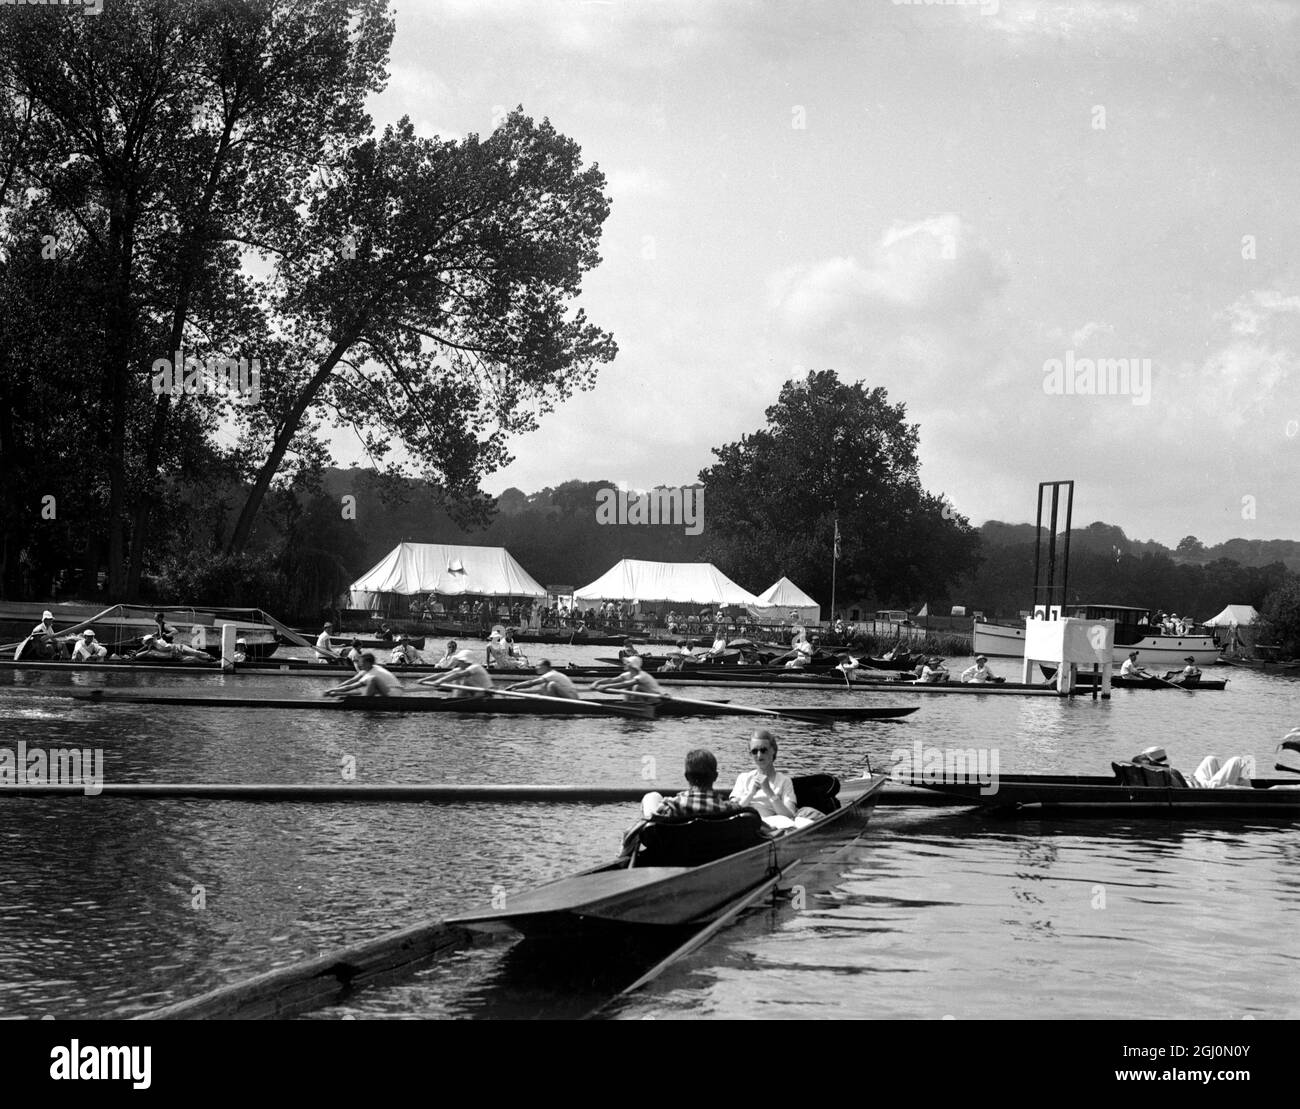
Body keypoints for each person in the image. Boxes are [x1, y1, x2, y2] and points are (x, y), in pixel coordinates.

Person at [729, 730, 823, 831]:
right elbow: (733, 811)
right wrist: (751, 794)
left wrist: (769, 791)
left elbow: (789, 815)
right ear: (750, 754)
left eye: (763, 750)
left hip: (774, 824)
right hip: (748, 823)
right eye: (754, 751)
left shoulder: (784, 781)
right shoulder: (743, 778)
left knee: (796, 823)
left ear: (773, 750)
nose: (759, 755)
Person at [639, 748, 748, 820]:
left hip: (678, 849)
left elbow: (650, 824)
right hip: (717, 850)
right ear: (715, 777)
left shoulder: (673, 806)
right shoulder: (729, 809)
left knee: (651, 796)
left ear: (686, 777)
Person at [1134, 746, 1252, 789]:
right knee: (1238, 761)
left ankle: (1238, 786)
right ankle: (1250, 792)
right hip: (1203, 789)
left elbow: (1180, 782)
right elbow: (1184, 787)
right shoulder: (1167, 772)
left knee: (1211, 759)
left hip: (1192, 782)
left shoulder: (1154, 771)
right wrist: (1192, 780)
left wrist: (1188, 778)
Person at [325, 651, 402, 697]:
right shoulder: (372, 668)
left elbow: (351, 687)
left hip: (394, 692)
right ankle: (338, 694)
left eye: (362, 662)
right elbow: (352, 681)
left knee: (372, 680)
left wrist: (331, 690)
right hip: (393, 689)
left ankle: (364, 701)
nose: (360, 664)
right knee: (364, 689)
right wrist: (336, 689)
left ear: (368, 663)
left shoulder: (372, 674)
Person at [419, 650, 493, 696]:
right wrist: (424, 679)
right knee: (457, 681)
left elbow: (458, 675)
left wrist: (440, 681)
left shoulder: (475, 667)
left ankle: (457, 699)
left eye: (460, 661)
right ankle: (456, 698)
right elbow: (443, 674)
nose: (458, 662)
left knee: (463, 680)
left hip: (487, 693)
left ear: (465, 661)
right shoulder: (461, 668)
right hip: (475, 692)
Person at [591, 655, 664, 699]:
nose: (624, 664)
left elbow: (624, 684)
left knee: (635, 687)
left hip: (655, 699)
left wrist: (605, 687)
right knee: (628, 689)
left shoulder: (642, 676)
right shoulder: (627, 674)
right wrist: (597, 682)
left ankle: (634, 706)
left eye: (627, 663)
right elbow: (612, 680)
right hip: (643, 699)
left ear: (632, 666)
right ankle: (629, 704)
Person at [510, 659, 580, 699]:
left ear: (545, 667)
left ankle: (552, 704)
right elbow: (539, 690)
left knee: (552, 685)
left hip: (573, 698)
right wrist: (517, 693)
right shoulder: (548, 676)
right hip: (568, 696)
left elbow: (531, 683)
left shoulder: (551, 674)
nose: (536, 667)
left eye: (538, 665)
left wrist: (514, 686)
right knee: (543, 687)